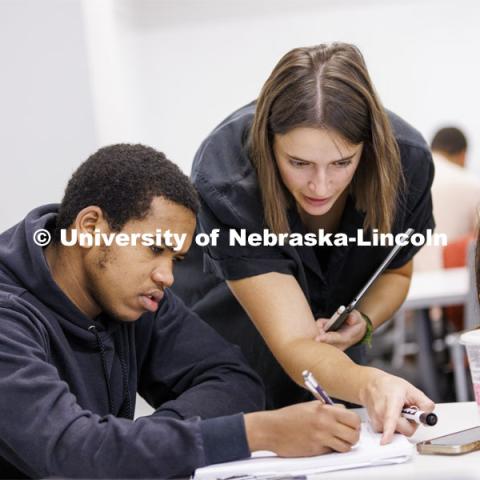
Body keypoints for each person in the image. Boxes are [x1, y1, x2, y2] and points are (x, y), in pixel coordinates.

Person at [0, 144, 364, 479]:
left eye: (175, 258)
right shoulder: (8, 315)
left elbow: (233, 380)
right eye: (155, 248)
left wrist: (145, 446)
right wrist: (257, 432)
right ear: (91, 228)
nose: (167, 276)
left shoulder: (135, 294)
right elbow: (74, 451)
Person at [173, 43, 435, 433]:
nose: (321, 185)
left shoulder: (404, 164)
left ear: (369, 146)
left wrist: (363, 322)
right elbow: (296, 343)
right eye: (299, 163)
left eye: (342, 163)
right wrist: (372, 383)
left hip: (336, 371)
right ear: (268, 142)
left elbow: (395, 274)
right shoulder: (229, 173)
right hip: (233, 361)